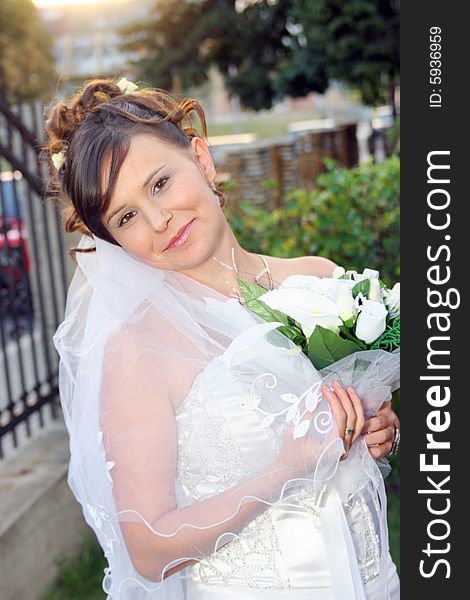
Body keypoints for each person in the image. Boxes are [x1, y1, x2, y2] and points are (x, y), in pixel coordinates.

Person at [45, 79, 400, 600]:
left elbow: (355, 433)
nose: (159, 219)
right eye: (126, 217)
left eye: (160, 183)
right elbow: (146, 548)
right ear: (113, 242)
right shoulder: (138, 351)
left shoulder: (320, 280)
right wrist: (286, 469)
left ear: (202, 159)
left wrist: (375, 429)